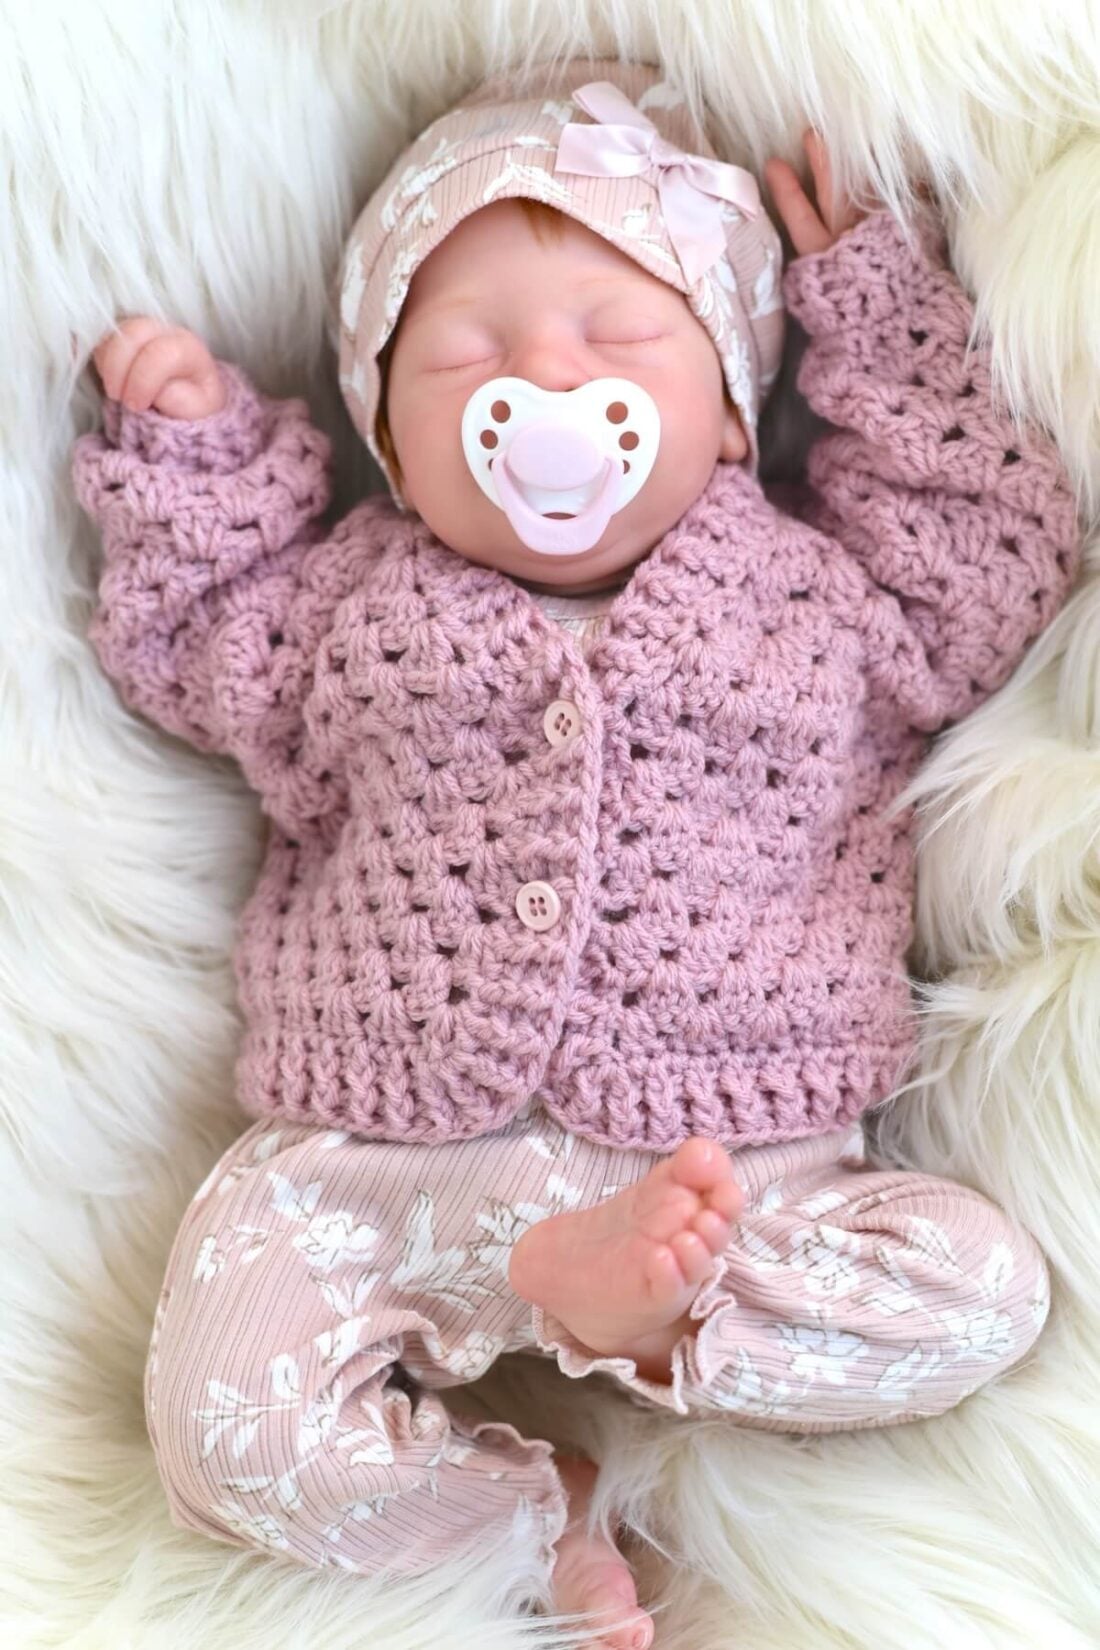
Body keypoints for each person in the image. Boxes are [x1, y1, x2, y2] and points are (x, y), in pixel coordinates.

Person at [73, 58, 1079, 1650]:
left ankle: (657, 1316)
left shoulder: (819, 596)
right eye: (462, 347)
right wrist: (194, 456)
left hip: (734, 1165)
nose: (541, 376)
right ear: (390, 438)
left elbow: (988, 550)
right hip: (375, 1159)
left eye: (622, 337)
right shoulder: (349, 604)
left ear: (742, 411)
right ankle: (520, 1504)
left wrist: (876, 319)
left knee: (984, 1285)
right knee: (221, 1427)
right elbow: (204, 636)